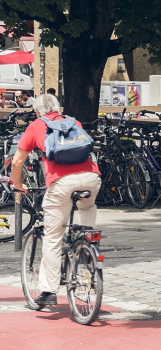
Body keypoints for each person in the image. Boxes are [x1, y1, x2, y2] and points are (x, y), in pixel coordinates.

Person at [10, 94, 102, 308]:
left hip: (61, 183)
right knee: (87, 209)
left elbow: (17, 161)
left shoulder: (36, 126)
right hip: (91, 178)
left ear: (37, 111)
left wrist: (18, 185)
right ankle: (88, 243)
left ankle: (48, 291)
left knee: (53, 236)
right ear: (58, 108)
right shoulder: (73, 122)